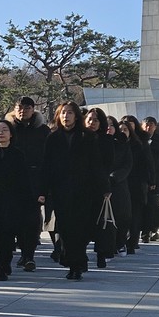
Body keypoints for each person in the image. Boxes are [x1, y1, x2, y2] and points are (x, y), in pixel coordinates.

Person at [38, 102, 108, 280]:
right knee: (66, 229)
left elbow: (96, 165)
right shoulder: (53, 138)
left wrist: (104, 187)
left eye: (69, 113)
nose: (66, 116)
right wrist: (42, 190)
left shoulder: (87, 137)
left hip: (84, 190)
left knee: (81, 228)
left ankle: (77, 262)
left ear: (76, 116)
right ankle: (73, 262)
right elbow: (46, 166)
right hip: (61, 191)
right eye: (63, 113)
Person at [0, 120, 35, 280]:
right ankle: (3, 264)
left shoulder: (18, 155)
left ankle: (4, 265)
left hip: (13, 203)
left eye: (4, 130)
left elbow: (24, 180)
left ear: (11, 134)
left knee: (8, 235)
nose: (1, 133)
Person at [5, 96, 49, 269]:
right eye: (19, 107)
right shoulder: (8, 128)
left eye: (27, 107)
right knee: (15, 219)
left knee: (31, 219)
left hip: (34, 180)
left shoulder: (42, 130)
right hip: (12, 180)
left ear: (33, 109)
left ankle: (29, 255)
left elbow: (47, 158)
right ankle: (22, 251)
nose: (23, 111)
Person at [83, 108, 116, 268]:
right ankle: (80, 254)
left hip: (100, 186)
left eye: (95, 120)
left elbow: (108, 165)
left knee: (101, 222)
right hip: (81, 186)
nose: (92, 123)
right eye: (89, 119)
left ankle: (101, 254)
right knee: (82, 222)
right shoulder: (80, 138)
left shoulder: (106, 140)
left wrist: (106, 187)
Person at [119, 117, 152, 254]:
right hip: (120, 185)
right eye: (121, 129)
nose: (123, 132)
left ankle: (132, 243)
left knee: (135, 215)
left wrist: (151, 182)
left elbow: (148, 164)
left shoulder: (139, 144)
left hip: (136, 185)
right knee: (123, 216)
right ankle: (121, 242)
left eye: (126, 129)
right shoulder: (115, 145)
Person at [105, 115, 133, 258]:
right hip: (100, 184)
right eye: (106, 125)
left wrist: (114, 177)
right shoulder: (96, 143)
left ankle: (120, 242)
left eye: (111, 125)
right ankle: (107, 246)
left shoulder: (122, 144)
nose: (108, 128)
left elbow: (127, 165)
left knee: (122, 216)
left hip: (118, 184)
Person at [141, 116, 159, 242]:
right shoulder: (138, 138)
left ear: (155, 127)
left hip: (156, 178)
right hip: (141, 177)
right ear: (142, 126)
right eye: (146, 125)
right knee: (142, 204)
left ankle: (149, 231)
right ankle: (143, 229)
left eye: (151, 125)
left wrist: (151, 142)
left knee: (153, 204)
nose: (148, 127)